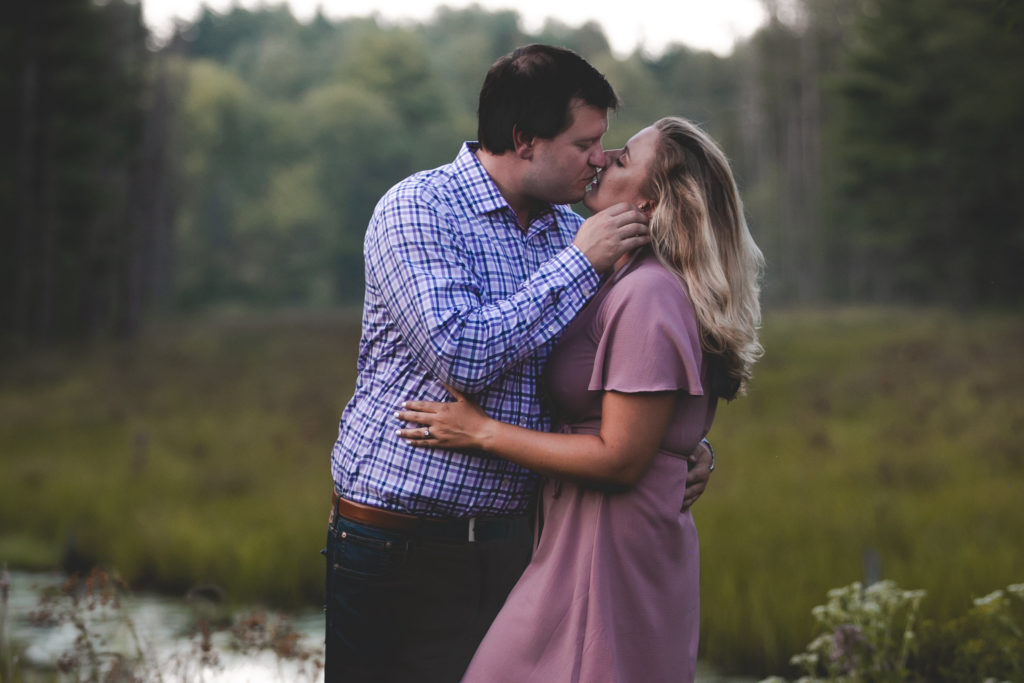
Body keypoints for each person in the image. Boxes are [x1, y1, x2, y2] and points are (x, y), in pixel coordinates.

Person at [325, 45, 714, 682]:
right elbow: (463, 354)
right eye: (585, 142)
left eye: (604, 143)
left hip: (524, 544)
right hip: (400, 544)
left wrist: (681, 450)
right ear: (524, 140)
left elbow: (633, 356)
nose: (598, 158)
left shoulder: (574, 228)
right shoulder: (419, 211)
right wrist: (581, 264)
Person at [397, 116, 764, 683]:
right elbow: (646, 416)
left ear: (649, 203)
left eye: (620, 160)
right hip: (578, 534)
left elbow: (620, 457)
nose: (602, 158)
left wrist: (480, 431)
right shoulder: (616, 276)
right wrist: (689, 450)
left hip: (608, 545)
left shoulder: (647, 293)